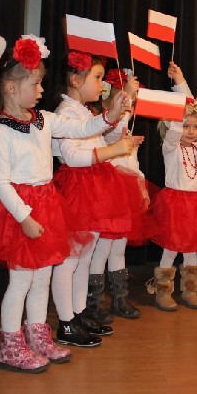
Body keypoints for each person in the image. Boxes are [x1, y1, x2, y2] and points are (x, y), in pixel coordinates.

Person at [0, 36, 134, 372]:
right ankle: (11, 345)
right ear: (11, 88)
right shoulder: (1, 132)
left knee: (43, 277)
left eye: (41, 83)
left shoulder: (44, 120)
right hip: (21, 212)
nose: (41, 90)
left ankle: (38, 337)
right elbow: (1, 184)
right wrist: (25, 217)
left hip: (48, 205)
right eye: (35, 84)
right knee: (21, 281)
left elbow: (83, 127)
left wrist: (110, 115)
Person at [51, 51, 134, 347]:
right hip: (77, 189)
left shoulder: (84, 112)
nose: (102, 85)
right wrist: (113, 150)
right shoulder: (66, 112)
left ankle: (78, 313)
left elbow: (101, 137)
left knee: (84, 256)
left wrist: (120, 126)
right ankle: (65, 322)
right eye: (97, 78)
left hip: (93, 188)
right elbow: (72, 156)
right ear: (76, 80)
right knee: (70, 259)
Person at [145, 62, 197, 310]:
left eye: (195, 127)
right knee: (171, 247)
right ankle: (163, 291)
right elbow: (174, 131)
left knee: (192, 249)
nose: (190, 131)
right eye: (186, 126)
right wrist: (180, 111)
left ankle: (190, 289)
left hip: (195, 204)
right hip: (175, 203)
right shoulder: (171, 146)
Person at [100, 68, 151, 319]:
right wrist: (126, 100)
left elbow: (132, 162)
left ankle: (119, 299)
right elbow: (113, 130)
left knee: (118, 248)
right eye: (122, 99)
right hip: (109, 192)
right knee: (102, 248)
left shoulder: (124, 127)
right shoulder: (106, 124)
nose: (128, 106)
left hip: (126, 192)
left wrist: (141, 186)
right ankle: (93, 303)